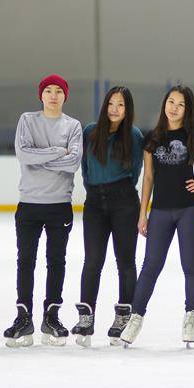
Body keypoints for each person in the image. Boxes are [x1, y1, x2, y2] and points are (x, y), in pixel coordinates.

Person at [119, 85, 194, 348]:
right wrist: (143, 214)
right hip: (160, 212)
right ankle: (136, 317)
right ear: (164, 104)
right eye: (171, 102)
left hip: (190, 210)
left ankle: (191, 315)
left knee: (190, 265)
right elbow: (148, 178)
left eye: (181, 104)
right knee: (151, 266)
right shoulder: (152, 138)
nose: (174, 108)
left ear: (188, 110)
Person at [4, 74, 82, 347]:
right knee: (25, 261)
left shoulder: (73, 126)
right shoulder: (27, 120)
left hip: (59, 204)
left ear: (65, 95)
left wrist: (39, 159)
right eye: (48, 90)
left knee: (56, 262)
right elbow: (23, 155)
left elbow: (73, 163)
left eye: (58, 91)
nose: (53, 95)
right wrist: (57, 151)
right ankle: (23, 317)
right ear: (41, 95)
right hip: (29, 203)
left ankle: (52, 316)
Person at [71, 86, 144, 347]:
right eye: (111, 103)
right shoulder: (90, 131)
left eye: (121, 105)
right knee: (92, 260)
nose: (115, 109)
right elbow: (85, 167)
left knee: (125, 261)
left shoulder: (134, 135)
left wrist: (117, 191)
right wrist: (96, 190)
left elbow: (136, 170)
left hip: (124, 202)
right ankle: (86, 316)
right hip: (94, 203)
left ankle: (124, 315)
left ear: (127, 109)